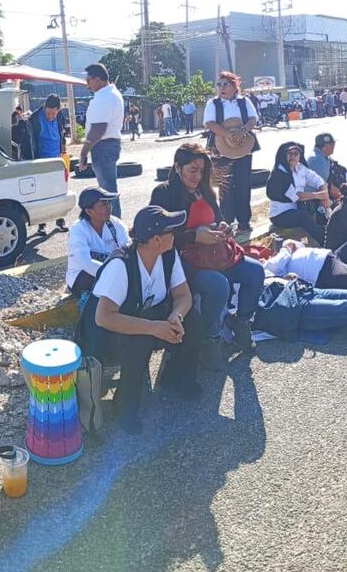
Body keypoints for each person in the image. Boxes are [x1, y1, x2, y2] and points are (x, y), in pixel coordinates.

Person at [82, 206, 198, 433]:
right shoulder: (121, 265)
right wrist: (154, 328)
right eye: (170, 231)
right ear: (156, 239)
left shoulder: (167, 255)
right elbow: (103, 317)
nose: (175, 234)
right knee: (140, 340)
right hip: (107, 332)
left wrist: (176, 316)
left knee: (193, 320)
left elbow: (184, 296)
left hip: (145, 317)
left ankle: (175, 377)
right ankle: (124, 407)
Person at [150, 144, 266, 363]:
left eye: (202, 171)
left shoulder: (206, 191)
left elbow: (219, 217)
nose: (198, 176)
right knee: (218, 285)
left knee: (255, 271)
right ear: (177, 167)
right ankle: (208, 336)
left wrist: (224, 228)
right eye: (192, 170)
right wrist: (194, 236)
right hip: (184, 260)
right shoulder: (164, 194)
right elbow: (157, 236)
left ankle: (241, 321)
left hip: (215, 253)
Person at [203, 71, 259, 233]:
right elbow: (210, 123)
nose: (221, 87)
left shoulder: (244, 102)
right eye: (219, 84)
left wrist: (242, 131)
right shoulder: (213, 104)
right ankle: (226, 221)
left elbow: (253, 119)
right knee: (224, 186)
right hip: (220, 148)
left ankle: (244, 222)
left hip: (243, 147)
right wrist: (227, 134)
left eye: (225, 84)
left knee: (243, 184)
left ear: (235, 87)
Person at [79, 63, 125, 217]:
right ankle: (114, 226)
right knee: (109, 189)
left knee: (107, 192)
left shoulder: (104, 97)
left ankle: (114, 227)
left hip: (103, 146)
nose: (87, 84)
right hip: (108, 145)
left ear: (98, 79)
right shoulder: (112, 93)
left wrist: (83, 153)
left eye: (89, 80)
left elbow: (98, 129)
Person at [66, 187, 129, 298]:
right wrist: (115, 274)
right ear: (89, 211)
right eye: (103, 204)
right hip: (83, 278)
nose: (109, 207)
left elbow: (128, 249)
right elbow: (86, 263)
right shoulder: (78, 230)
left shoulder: (116, 224)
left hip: (112, 273)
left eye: (109, 203)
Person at [266, 142, 330, 246]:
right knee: (303, 216)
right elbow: (297, 196)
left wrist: (325, 196)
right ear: (284, 155)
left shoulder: (300, 168)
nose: (293, 156)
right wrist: (319, 195)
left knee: (318, 206)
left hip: (296, 207)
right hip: (280, 214)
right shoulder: (279, 174)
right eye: (289, 153)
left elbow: (318, 180)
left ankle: (326, 229)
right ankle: (325, 241)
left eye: (296, 153)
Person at [23, 94, 66, 161]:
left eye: (53, 114)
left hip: (57, 158)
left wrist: (63, 146)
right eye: (48, 113)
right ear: (44, 108)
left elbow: (62, 133)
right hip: (41, 161)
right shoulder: (35, 119)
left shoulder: (60, 116)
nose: (50, 117)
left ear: (58, 110)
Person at [307, 133, 347, 203]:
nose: (334, 146)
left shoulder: (321, 156)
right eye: (333, 144)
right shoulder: (317, 160)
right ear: (327, 146)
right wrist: (343, 197)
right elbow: (325, 186)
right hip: (313, 201)